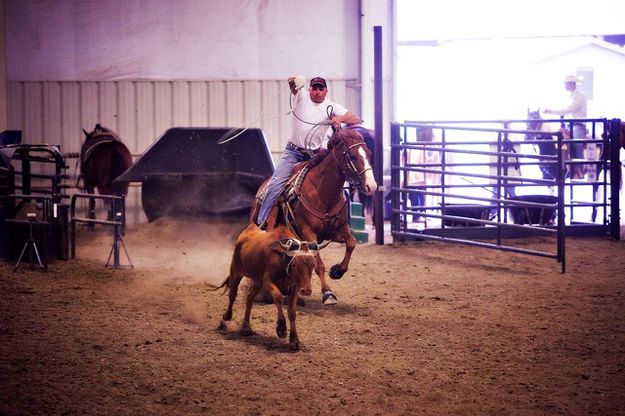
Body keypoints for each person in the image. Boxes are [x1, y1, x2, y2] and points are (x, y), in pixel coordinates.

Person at [256, 76, 361, 228]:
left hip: (316, 154)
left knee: (336, 184)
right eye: (315, 88)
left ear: (326, 91)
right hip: (294, 153)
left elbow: (356, 118)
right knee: (276, 184)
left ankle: (338, 225)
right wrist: (295, 81)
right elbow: (294, 87)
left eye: (321, 89)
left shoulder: (331, 107)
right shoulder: (302, 96)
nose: (317, 92)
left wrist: (340, 117)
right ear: (310, 89)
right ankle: (261, 222)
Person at [543, 75, 587, 178]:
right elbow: (565, 109)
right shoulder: (570, 96)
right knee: (559, 143)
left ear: (572, 84)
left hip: (578, 124)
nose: (565, 85)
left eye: (566, 83)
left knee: (577, 144)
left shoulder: (580, 96)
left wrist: (551, 111)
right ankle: (563, 167)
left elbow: (568, 109)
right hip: (568, 124)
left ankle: (581, 169)